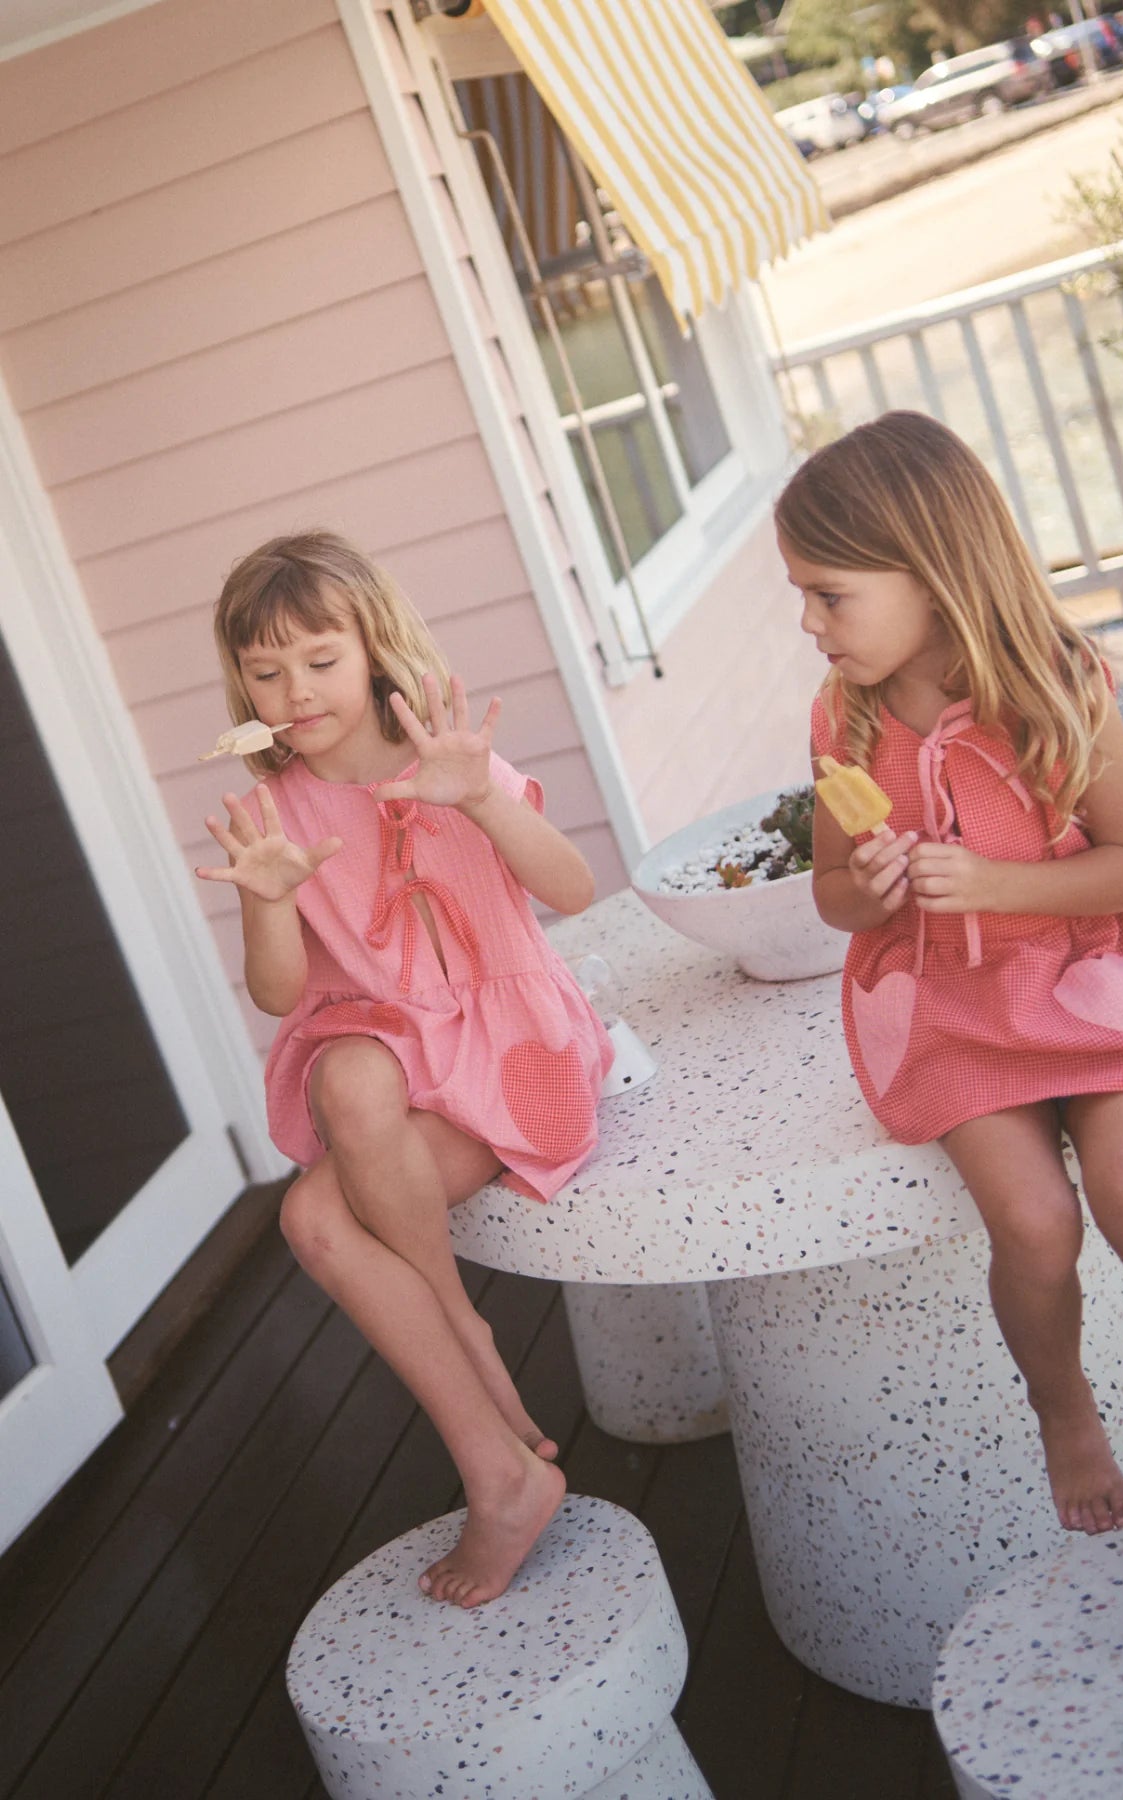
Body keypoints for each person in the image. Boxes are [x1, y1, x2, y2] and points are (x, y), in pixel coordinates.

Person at [775, 412, 1123, 1535]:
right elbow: (828, 893)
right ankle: (1065, 1414)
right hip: (956, 1007)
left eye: (829, 594)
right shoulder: (845, 720)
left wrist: (997, 886)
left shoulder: (1055, 686)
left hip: (1091, 964)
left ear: (930, 571)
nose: (811, 624)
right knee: (1036, 1222)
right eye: (803, 597)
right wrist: (870, 888)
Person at [197, 531, 613, 1605]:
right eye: (265, 669)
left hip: (511, 1060)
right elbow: (282, 995)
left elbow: (571, 891)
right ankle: (495, 1457)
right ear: (239, 680)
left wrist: (474, 797)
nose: (294, 690)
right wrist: (268, 896)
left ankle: (466, 1355)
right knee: (327, 1155)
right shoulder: (275, 811)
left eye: (318, 660)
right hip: (393, 1063)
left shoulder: (453, 758)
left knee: (329, 1164)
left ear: (374, 647)